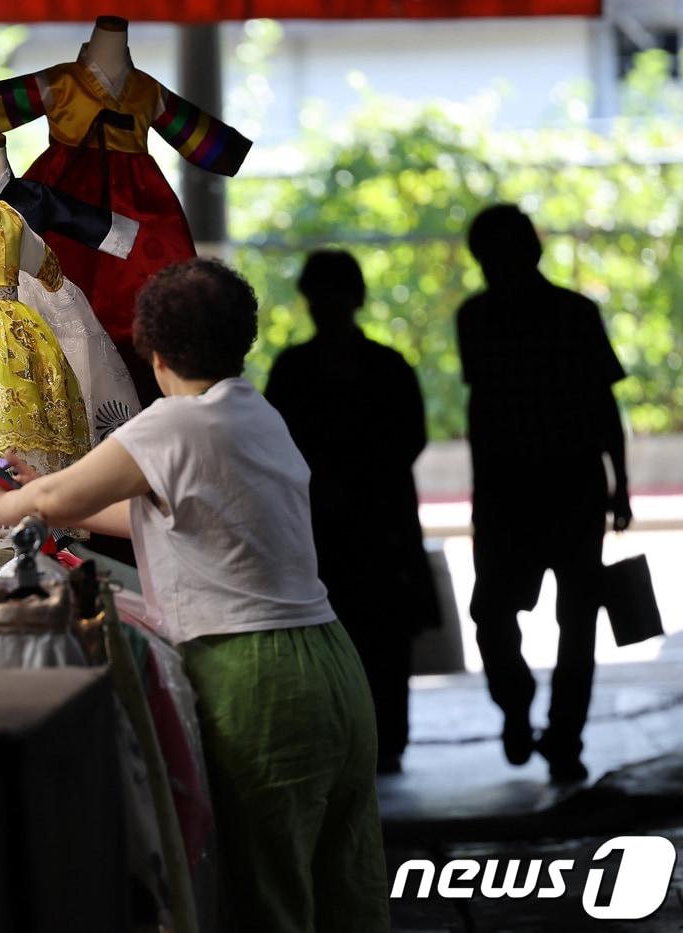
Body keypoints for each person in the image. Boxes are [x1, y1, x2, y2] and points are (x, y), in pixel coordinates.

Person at [0, 258, 390, 933]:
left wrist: (5, 502)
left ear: (153, 350)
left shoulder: (173, 424)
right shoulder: (254, 415)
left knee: (270, 898)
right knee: (347, 886)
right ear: (241, 337)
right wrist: (46, 497)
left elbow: (55, 497)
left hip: (257, 679)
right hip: (335, 665)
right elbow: (154, 507)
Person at [456, 204, 632, 784]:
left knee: (495, 613)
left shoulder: (477, 319)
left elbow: (484, 410)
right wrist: (620, 482)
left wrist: (482, 495)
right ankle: (562, 737)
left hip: (511, 491)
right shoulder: (576, 313)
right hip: (573, 485)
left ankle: (519, 704)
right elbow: (603, 406)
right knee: (576, 619)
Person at [264, 250, 440, 775]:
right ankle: (387, 742)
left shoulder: (294, 369)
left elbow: (278, 446)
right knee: (385, 637)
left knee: (332, 635)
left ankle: (350, 741)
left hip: (325, 526)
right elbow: (411, 439)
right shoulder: (386, 366)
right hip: (377, 524)